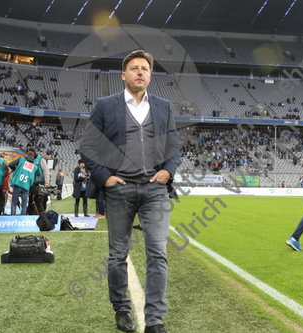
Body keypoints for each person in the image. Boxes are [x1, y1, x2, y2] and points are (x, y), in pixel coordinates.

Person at [81, 50, 180, 333]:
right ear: (123, 75)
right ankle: (122, 309)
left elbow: (174, 146)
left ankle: (155, 319)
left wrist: (168, 172)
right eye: (134, 68)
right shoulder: (105, 105)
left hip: (155, 191)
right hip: (118, 190)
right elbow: (88, 146)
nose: (140, 72)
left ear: (150, 76)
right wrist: (105, 178)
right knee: (116, 255)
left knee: (158, 253)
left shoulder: (164, 106)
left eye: (145, 68)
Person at [9, 151, 37, 215]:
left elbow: (10, 164)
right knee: (24, 204)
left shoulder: (21, 160)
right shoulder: (35, 167)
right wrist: (31, 190)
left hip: (18, 183)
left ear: (26, 155)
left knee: (14, 202)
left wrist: (16, 169)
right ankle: (23, 218)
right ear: (33, 157)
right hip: (26, 186)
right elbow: (33, 180)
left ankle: (12, 217)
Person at [27, 148, 49, 215]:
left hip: (40, 183)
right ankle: (32, 215)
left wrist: (46, 182)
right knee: (31, 200)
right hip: (31, 183)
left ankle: (41, 215)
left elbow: (46, 170)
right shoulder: (28, 159)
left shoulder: (41, 159)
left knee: (40, 201)